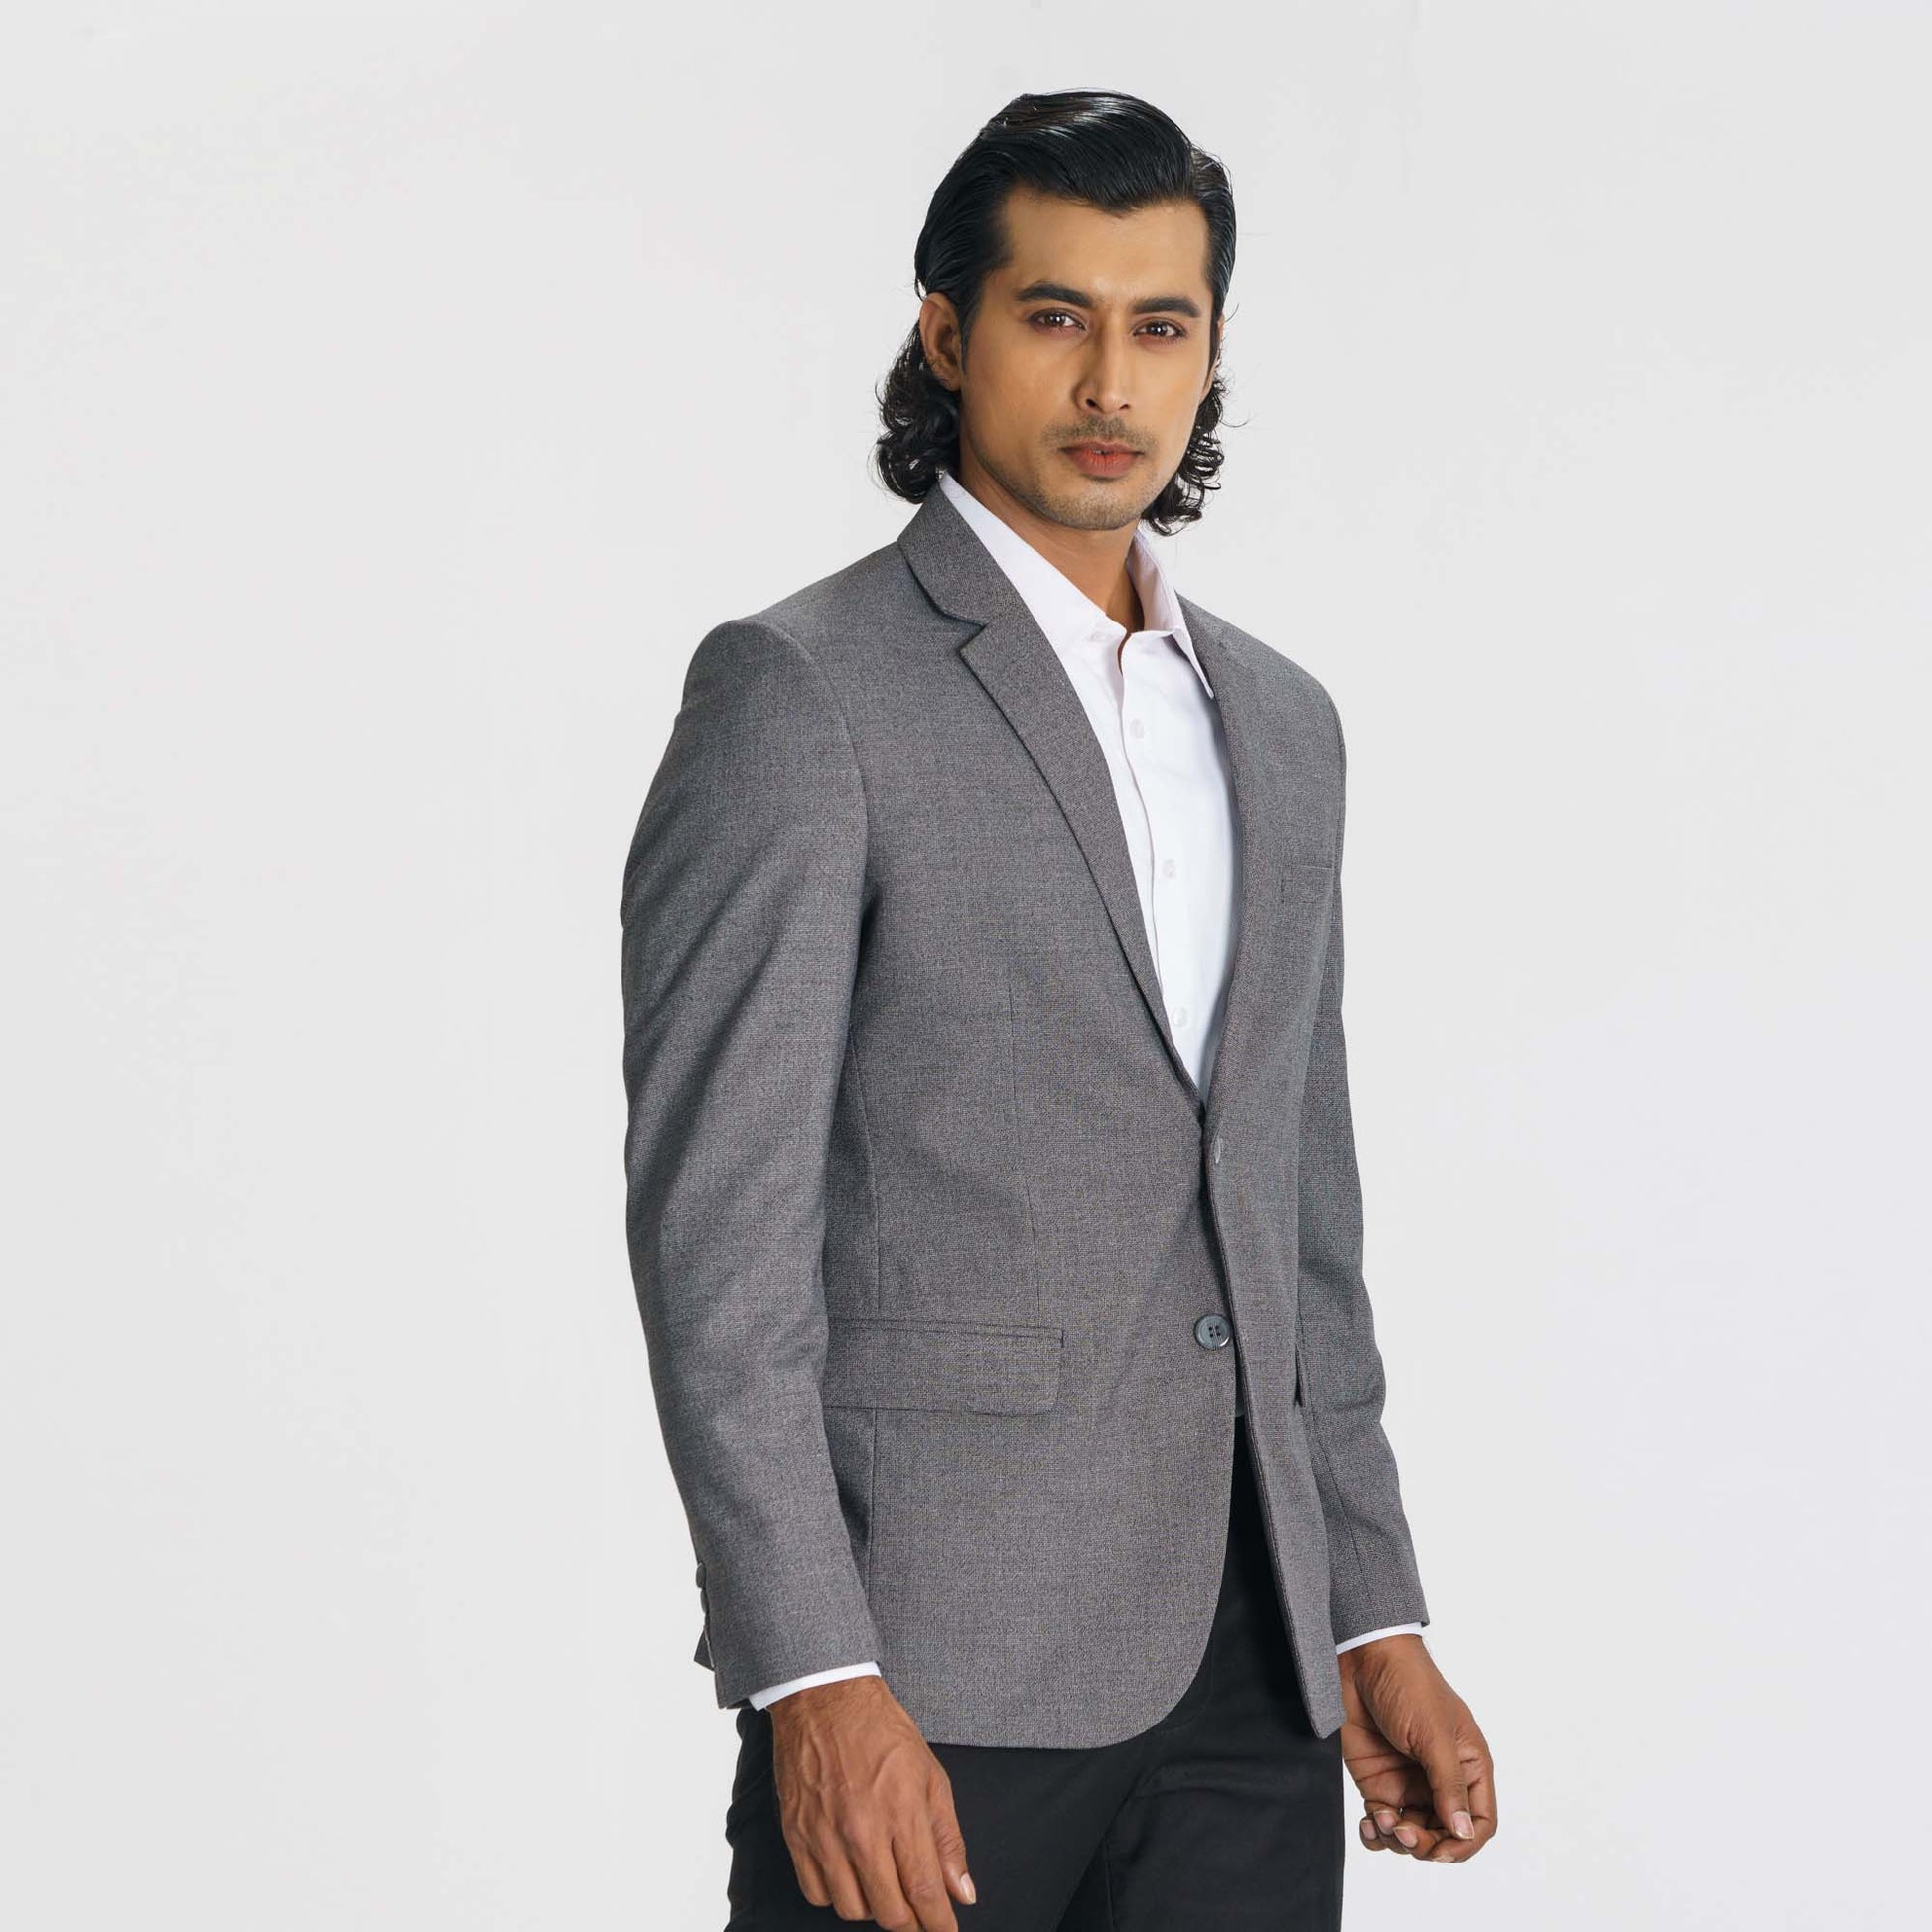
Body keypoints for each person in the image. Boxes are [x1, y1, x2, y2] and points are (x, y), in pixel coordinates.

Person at [621, 89, 1496, 1931]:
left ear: (1209, 352)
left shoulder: (1284, 724)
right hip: (930, 1670)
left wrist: (1373, 1607)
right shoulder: (801, 692)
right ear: (946, 336)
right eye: (1052, 315)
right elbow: (719, 1241)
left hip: (1254, 1677)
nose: (1110, 380)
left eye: (1159, 324)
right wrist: (811, 1671)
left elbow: (1298, 1216)